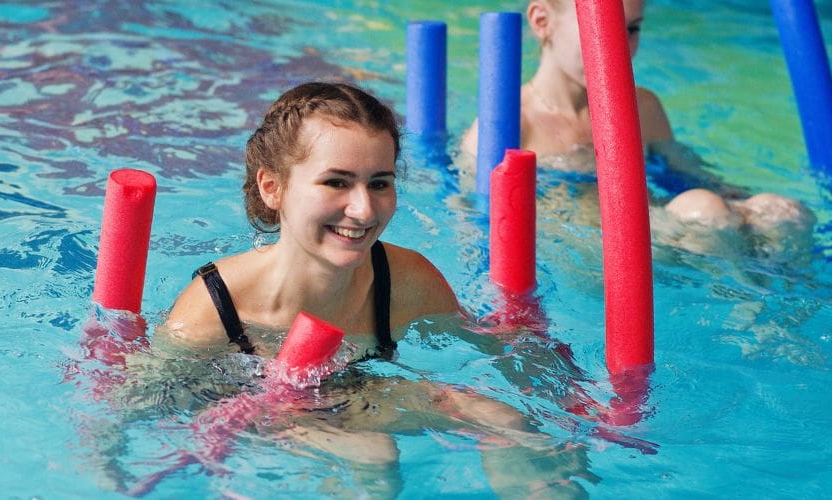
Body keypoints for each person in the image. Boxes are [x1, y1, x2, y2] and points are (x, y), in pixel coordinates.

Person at [159, 82, 590, 497]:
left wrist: (568, 392)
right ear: (272, 188)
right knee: (371, 454)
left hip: (353, 391)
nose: (364, 209)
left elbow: (485, 343)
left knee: (503, 419)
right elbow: (150, 401)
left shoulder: (403, 279)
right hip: (245, 409)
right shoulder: (215, 306)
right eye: (336, 182)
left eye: (380, 183)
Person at [461, 0, 816, 264]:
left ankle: (784, 315)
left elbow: (690, 175)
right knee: (704, 210)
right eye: (602, 30)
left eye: (631, 29)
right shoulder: (508, 125)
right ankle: (746, 309)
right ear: (542, 22)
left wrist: (740, 202)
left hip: (655, 223)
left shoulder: (643, 107)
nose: (618, 48)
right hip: (587, 249)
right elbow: (477, 220)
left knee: (783, 212)